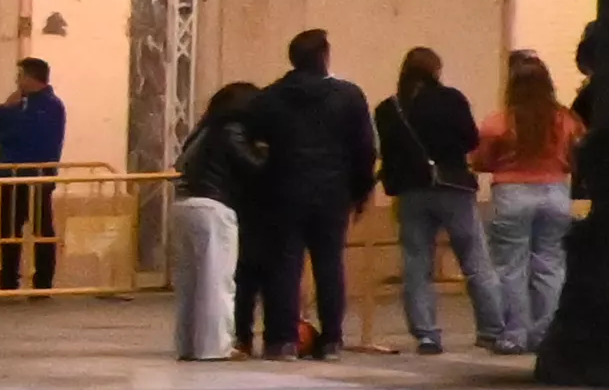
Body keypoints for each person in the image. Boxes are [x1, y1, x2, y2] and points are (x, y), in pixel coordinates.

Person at [246, 26, 377, 357]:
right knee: (329, 264)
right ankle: (331, 338)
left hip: (284, 192)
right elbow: (364, 149)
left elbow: (256, 149)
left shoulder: (270, 98)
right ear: (324, 56)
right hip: (333, 193)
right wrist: (360, 191)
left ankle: (282, 339)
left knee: (285, 265)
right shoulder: (348, 96)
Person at [379, 43, 487, 356]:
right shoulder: (451, 99)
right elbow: (471, 139)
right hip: (453, 186)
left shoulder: (389, 108)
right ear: (435, 70)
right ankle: (492, 328)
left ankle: (426, 335)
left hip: (411, 191)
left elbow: (388, 151)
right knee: (474, 259)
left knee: (416, 265)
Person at [481, 47, 579, 353]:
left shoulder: (500, 122)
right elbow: (578, 156)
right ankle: (546, 334)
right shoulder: (566, 120)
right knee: (550, 265)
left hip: (512, 194)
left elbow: (481, 160)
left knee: (511, 268)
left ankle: (515, 334)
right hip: (555, 192)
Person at [173, 79, 271, 358]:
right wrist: (266, 151)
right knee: (218, 282)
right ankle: (216, 347)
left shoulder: (201, 131)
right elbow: (254, 167)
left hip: (184, 204)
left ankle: (189, 346)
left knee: (190, 284)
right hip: (213, 207)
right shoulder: (232, 130)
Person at [0, 56, 68, 290]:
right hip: (11, 174)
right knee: (10, 229)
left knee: (41, 230)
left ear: (32, 78)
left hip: (36, 175)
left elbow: (26, 134)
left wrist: (0, 138)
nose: (17, 81)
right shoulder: (18, 103)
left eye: (20, 76)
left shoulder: (50, 105)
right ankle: (8, 278)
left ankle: (43, 281)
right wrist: (5, 108)